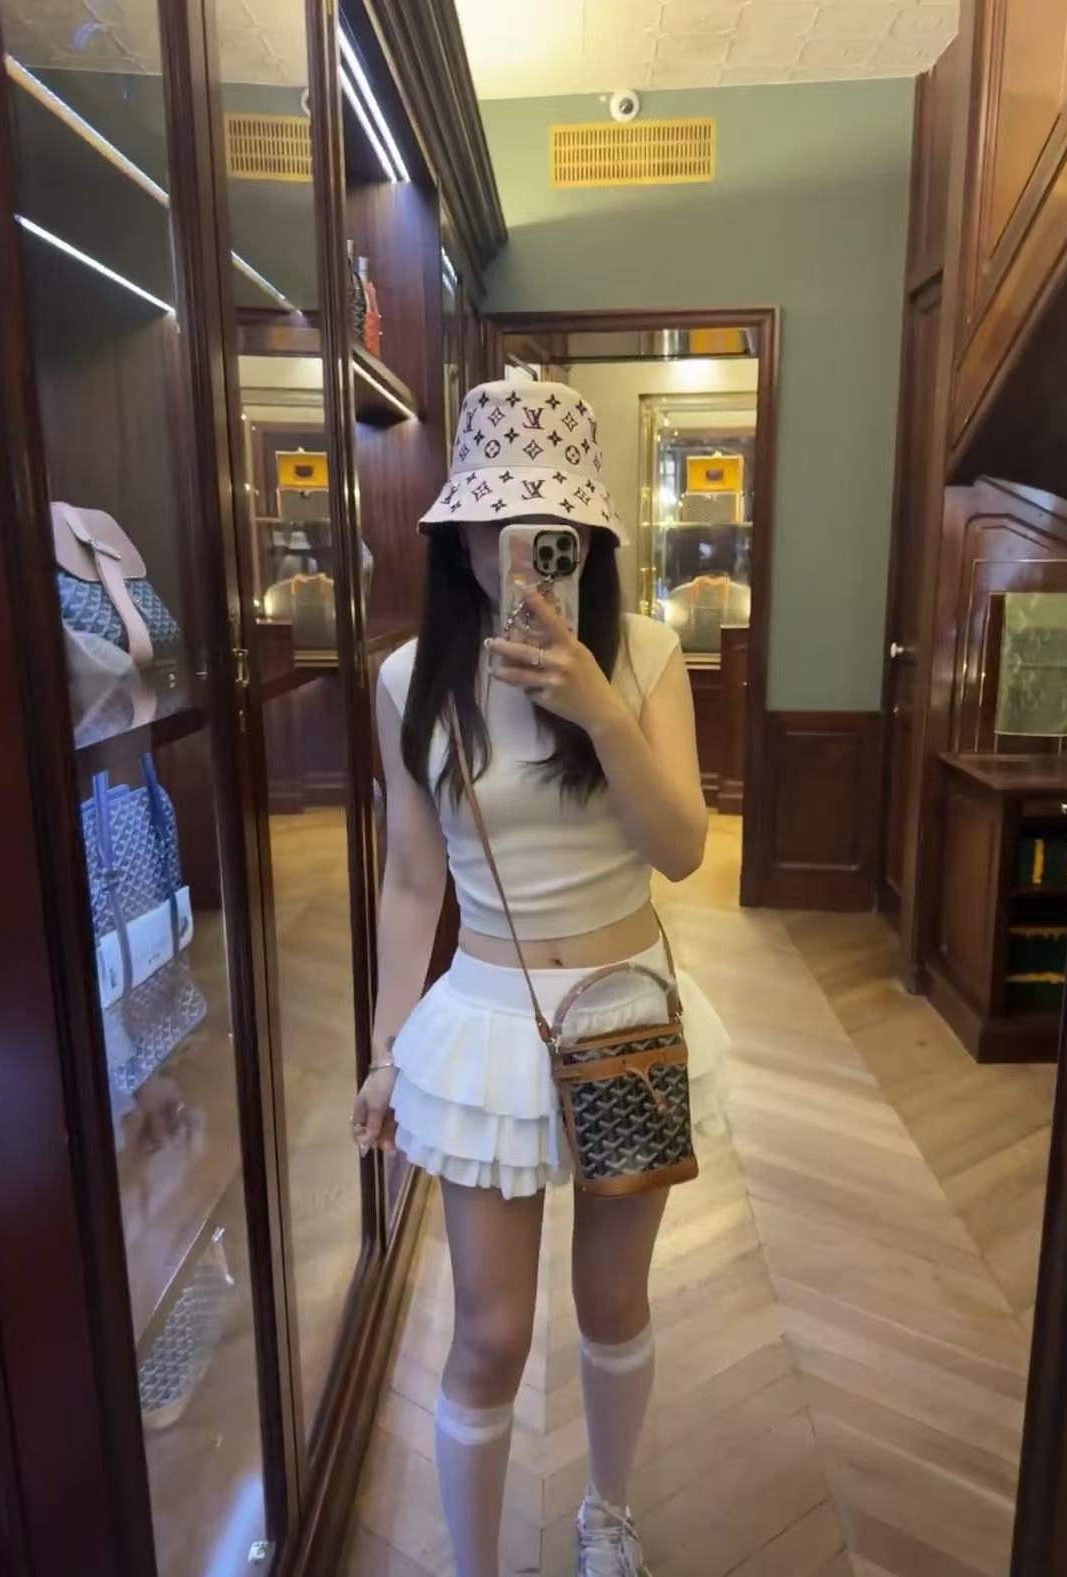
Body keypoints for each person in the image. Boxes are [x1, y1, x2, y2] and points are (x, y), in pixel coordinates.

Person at [352, 381, 728, 1577]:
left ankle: (606, 1513)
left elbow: (683, 848)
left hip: (624, 1010)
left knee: (613, 1302)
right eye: (490, 524)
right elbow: (411, 879)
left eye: (543, 528)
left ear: (586, 540)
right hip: (485, 1024)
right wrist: (383, 1050)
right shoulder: (407, 680)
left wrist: (601, 710)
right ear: (457, 535)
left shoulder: (646, 652)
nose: (511, 552)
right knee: (489, 1334)